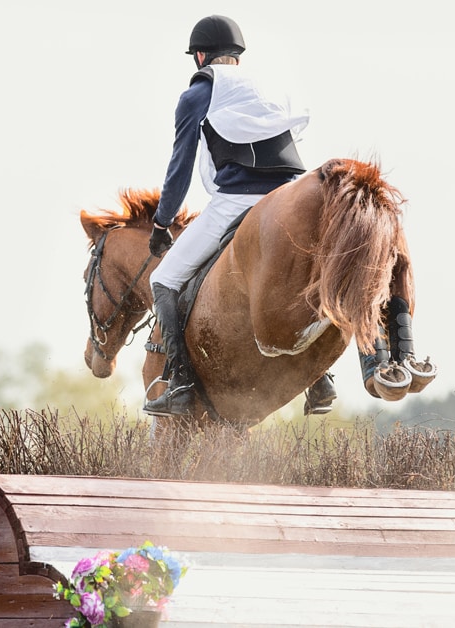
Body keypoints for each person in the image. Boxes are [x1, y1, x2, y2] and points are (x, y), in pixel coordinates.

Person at [143, 15, 337, 418]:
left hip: (236, 200)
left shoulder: (199, 92)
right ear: (238, 55)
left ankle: (178, 383)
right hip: (291, 197)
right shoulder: (267, 87)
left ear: (200, 56)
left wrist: (162, 222)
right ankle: (320, 376)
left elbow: (180, 166)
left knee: (162, 279)